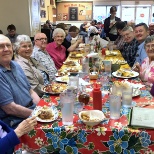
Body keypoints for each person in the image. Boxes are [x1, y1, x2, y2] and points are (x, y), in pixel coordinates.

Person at [0, 34, 40, 128]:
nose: (6, 49)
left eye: (8, 45)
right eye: (1, 46)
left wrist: (41, 107)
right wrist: (37, 115)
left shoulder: (15, 65)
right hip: (16, 121)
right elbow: (10, 108)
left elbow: (30, 91)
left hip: (31, 111)